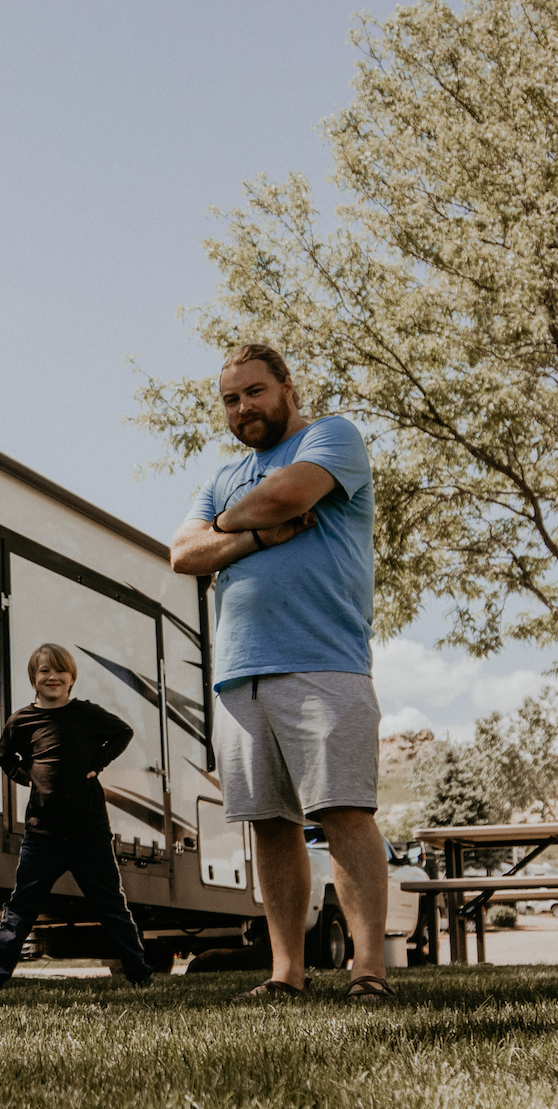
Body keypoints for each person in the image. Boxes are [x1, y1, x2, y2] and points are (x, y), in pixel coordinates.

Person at [169, 343, 396, 1003]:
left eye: (255, 392)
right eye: (232, 399)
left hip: (324, 661)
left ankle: (367, 973)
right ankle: (286, 974)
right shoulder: (222, 474)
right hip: (241, 676)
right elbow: (183, 553)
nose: (244, 408)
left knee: (344, 811)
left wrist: (232, 522)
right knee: (270, 822)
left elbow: (291, 492)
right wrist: (259, 534)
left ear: (287, 387)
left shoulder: (332, 436)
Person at [0, 643, 154, 991]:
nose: (52, 676)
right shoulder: (22, 720)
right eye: (44, 671)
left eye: (60, 671)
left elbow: (123, 733)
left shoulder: (87, 714)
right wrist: (26, 775)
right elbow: (3, 755)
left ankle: (140, 975)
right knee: (21, 908)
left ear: (72, 678)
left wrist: (96, 764)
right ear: (33, 679)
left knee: (111, 907)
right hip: (42, 835)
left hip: (89, 833)